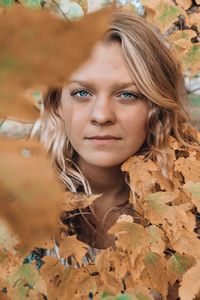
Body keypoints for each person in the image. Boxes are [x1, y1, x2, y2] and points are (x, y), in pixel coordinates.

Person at [31, 8, 194, 256]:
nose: (102, 116)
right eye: (82, 93)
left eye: (127, 94)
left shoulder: (192, 205)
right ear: (57, 104)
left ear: (157, 106)